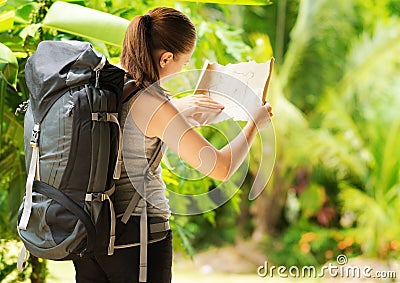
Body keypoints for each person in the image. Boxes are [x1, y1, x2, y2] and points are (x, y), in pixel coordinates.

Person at [72, 6, 273, 283]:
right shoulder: (155, 105)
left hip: (89, 234)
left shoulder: (102, 87)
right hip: (138, 237)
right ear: (166, 58)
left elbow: (128, 130)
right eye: (184, 61)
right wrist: (254, 124)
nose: (184, 68)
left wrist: (178, 112)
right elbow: (221, 167)